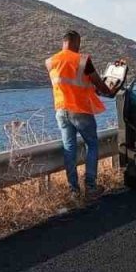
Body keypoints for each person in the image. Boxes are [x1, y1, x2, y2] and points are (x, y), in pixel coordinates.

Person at [45, 30, 117, 196]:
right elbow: (98, 83)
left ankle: (73, 190)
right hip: (80, 110)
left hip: (61, 110)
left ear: (64, 42)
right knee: (91, 144)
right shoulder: (83, 60)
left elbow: (68, 83)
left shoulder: (50, 62)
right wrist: (109, 90)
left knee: (69, 148)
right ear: (76, 42)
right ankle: (90, 186)